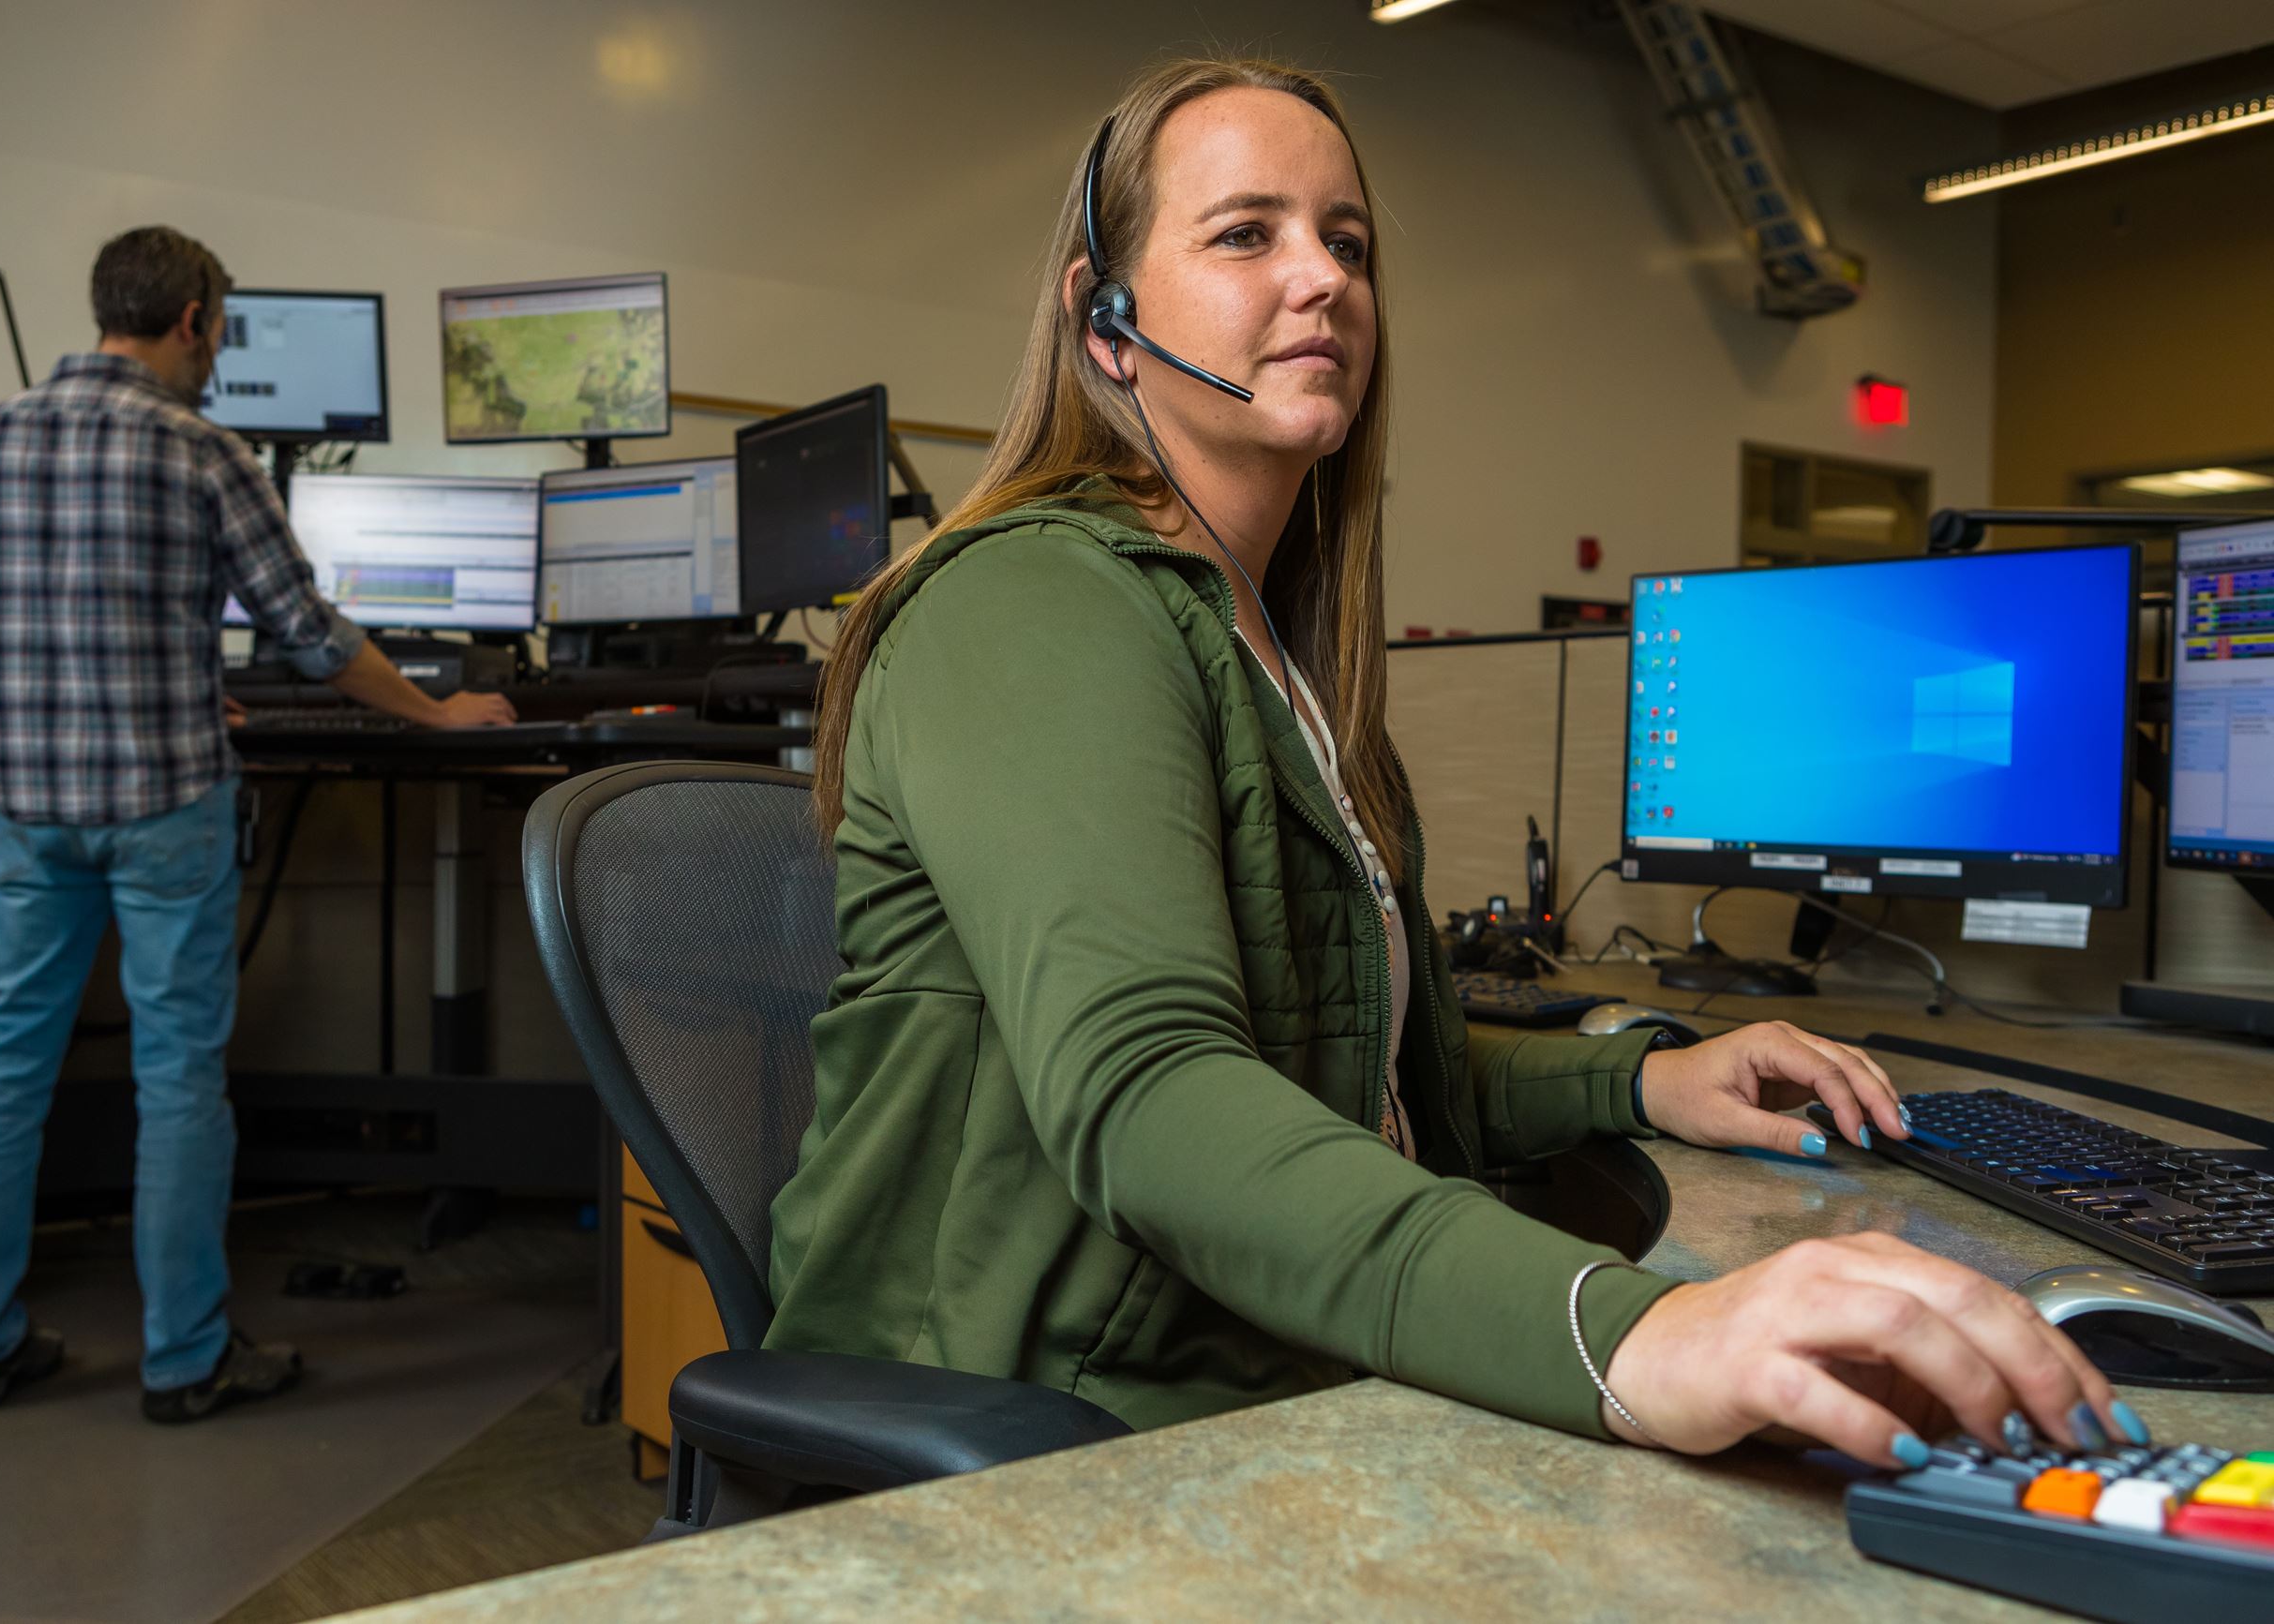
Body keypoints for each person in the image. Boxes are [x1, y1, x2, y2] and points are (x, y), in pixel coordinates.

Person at [765, 58, 2147, 1468]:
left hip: (1246, 1363)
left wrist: (1643, 1080)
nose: (1322, 280)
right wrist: (1633, 1337)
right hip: (1041, 1422)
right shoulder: (1035, 601)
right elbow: (1155, 1095)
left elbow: (1375, 1074)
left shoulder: (1286, 661)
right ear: (1102, 322)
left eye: (1347, 242)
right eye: (1247, 234)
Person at [0, 225, 516, 1423]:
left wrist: (174, 669)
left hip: (31, 805)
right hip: (160, 805)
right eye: (221, 330)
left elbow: (46, 614)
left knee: (0, 1071)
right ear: (194, 316)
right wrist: (436, 710)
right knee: (177, 1079)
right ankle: (183, 1359)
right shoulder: (203, 450)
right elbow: (309, 633)